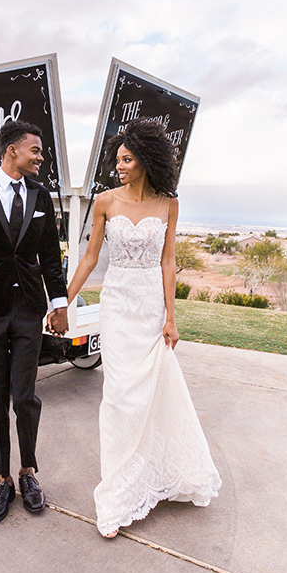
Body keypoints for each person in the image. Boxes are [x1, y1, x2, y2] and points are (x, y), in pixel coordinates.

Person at [58, 119, 221, 538]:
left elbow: (168, 261)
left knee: (151, 394)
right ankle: (119, 491)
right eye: (117, 161)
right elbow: (90, 257)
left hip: (150, 307)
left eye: (127, 160)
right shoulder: (105, 202)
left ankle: (153, 477)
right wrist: (64, 300)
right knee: (119, 397)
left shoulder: (169, 203)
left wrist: (171, 316)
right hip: (117, 305)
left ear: (145, 160)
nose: (120, 167)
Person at [0, 120, 68, 524]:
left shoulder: (41, 195)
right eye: (35, 150)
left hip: (28, 311)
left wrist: (59, 305)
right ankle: (3, 479)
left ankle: (28, 473)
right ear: (12, 151)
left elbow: (51, 258)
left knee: (25, 397)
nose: (41, 157)